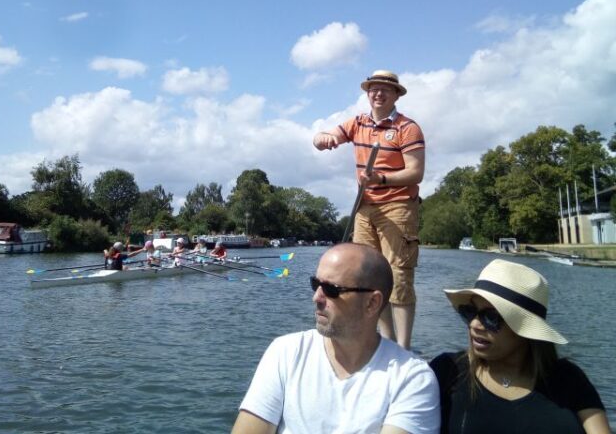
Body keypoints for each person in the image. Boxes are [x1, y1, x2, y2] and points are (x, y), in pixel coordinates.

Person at [232, 243, 440, 434]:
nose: (316, 298)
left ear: (372, 303)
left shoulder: (411, 378)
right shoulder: (286, 351)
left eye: (331, 290)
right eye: (316, 284)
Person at [429, 259, 610, 434]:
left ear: (526, 330)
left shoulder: (569, 378)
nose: (475, 324)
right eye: (470, 312)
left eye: (491, 317)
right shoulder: (447, 372)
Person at [313, 69, 425, 350]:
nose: (378, 93)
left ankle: (404, 347)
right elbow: (327, 136)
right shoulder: (358, 123)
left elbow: (416, 172)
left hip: (398, 205)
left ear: (396, 94)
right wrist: (322, 139)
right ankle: (386, 340)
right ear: (367, 93)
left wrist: (382, 178)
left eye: (385, 89)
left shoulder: (407, 128)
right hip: (366, 206)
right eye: (373, 88)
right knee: (371, 277)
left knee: (398, 276)